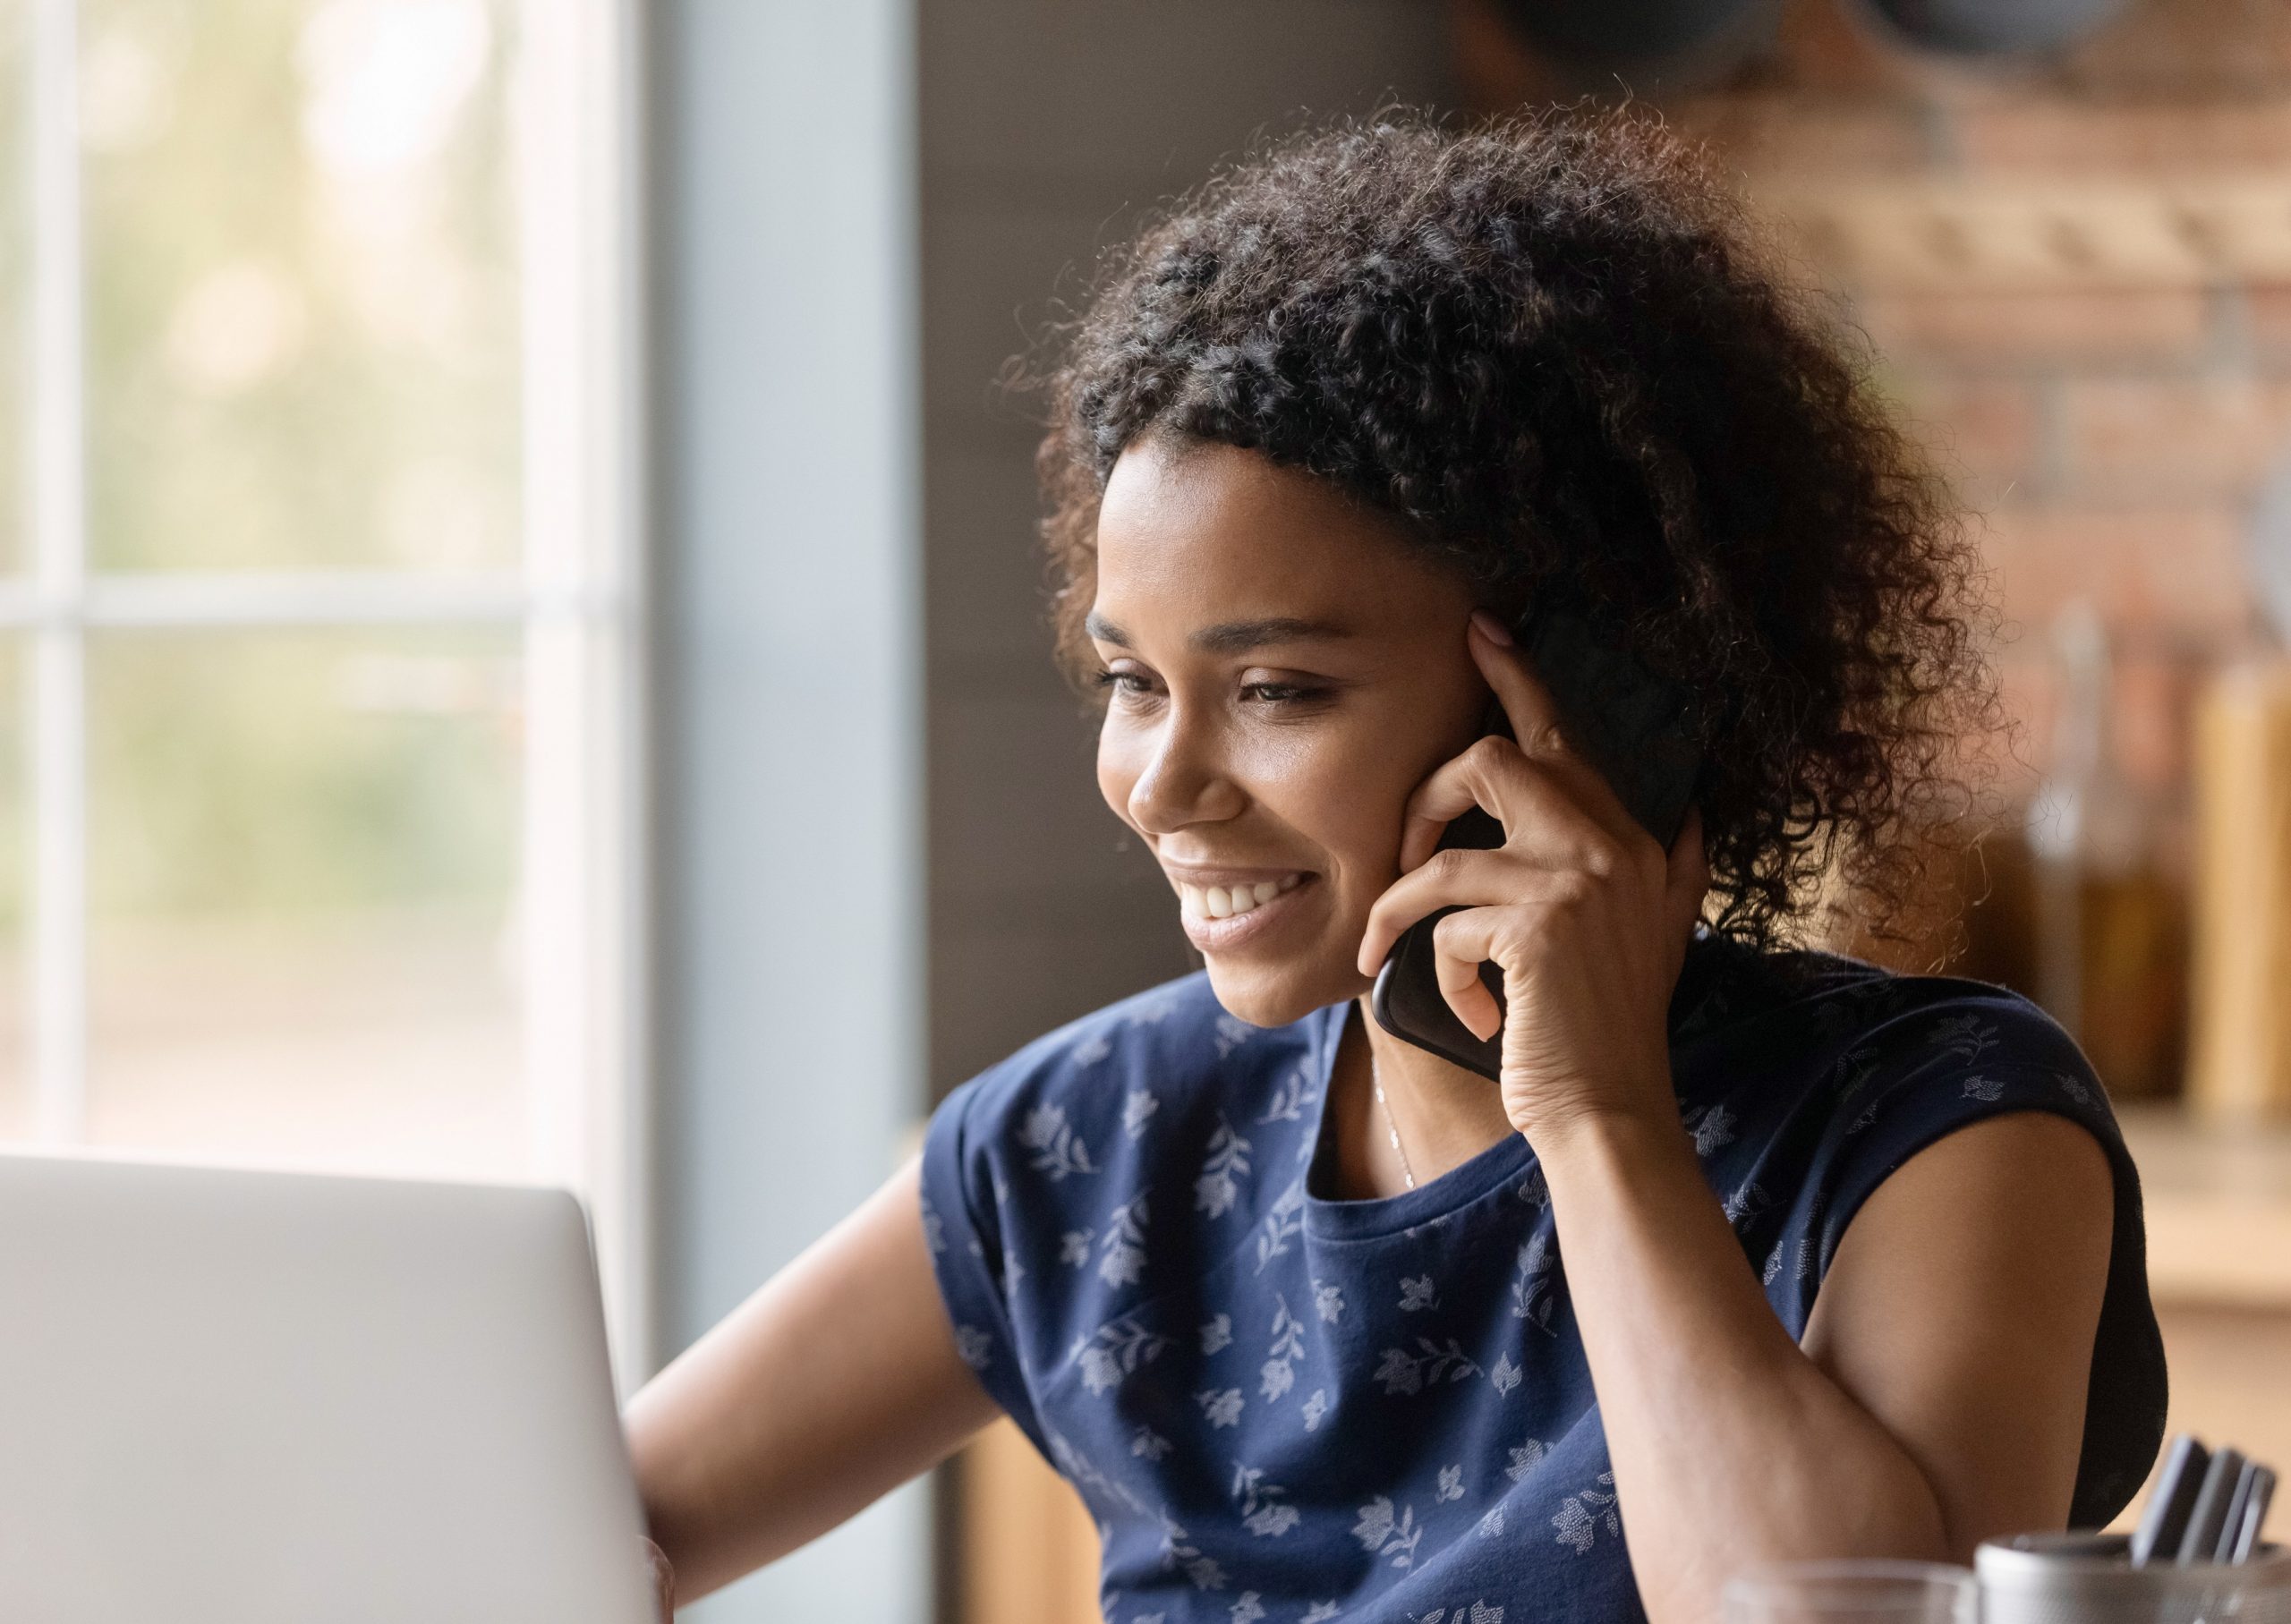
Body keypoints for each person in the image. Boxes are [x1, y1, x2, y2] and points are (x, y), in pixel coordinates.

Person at [622, 108, 2167, 1624]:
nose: (1163, 787)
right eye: (1131, 683)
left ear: (1583, 704)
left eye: (1278, 691)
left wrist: (1595, 1115)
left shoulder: (1937, 1127)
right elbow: (586, 1531)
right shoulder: (1094, 1146)